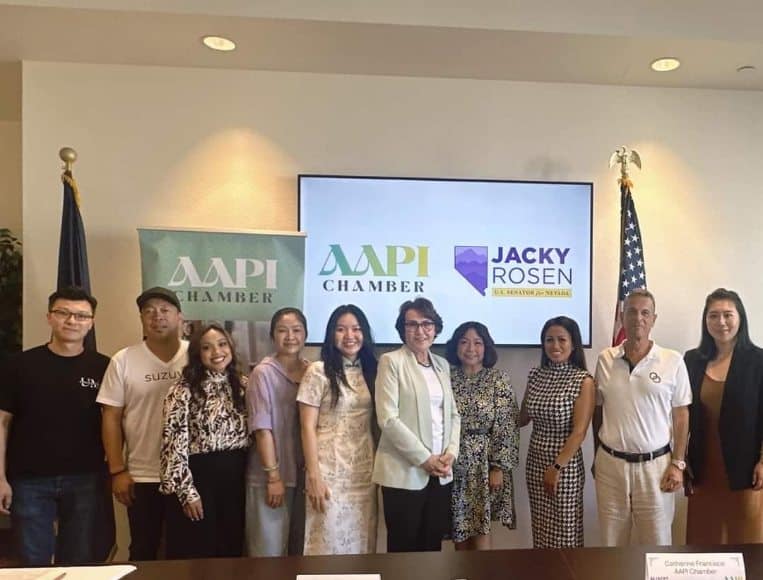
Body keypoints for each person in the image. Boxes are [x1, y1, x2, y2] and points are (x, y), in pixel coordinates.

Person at [0, 286, 110, 565]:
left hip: (86, 478)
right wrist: (0, 478)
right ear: (49, 317)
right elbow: (2, 423)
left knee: (79, 561)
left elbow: (114, 422)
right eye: (63, 313)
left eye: (81, 316)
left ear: (92, 322)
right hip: (28, 480)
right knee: (31, 563)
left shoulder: (105, 367)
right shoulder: (19, 365)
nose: (72, 321)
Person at [593, 288, 691, 546]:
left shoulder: (672, 361)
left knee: (657, 544)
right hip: (610, 466)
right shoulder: (605, 359)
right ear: (622, 317)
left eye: (645, 313)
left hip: (656, 468)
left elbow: (681, 415)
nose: (639, 318)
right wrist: (595, 453)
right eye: (632, 312)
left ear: (654, 319)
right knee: (611, 544)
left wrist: (678, 464)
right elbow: (597, 410)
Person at [97, 286, 189, 560]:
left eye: (164, 310)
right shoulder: (123, 360)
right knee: (142, 549)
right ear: (141, 319)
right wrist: (117, 470)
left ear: (179, 317)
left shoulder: (196, 355)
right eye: (148, 311)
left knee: (186, 550)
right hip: (142, 475)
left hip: (188, 474)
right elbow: (111, 418)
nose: (157, 316)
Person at [372, 297, 461, 553]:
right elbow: (388, 419)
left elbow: (454, 415)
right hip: (404, 473)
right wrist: (424, 459)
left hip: (441, 473)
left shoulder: (442, 365)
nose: (420, 331)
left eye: (426, 324)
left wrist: (450, 454)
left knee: (432, 547)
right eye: (412, 325)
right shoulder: (391, 362)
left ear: (435, 328)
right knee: (403, 550)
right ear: (402, 329)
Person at [159, 323, 248, 558]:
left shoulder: (242, 384)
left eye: (222, 344)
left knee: (231, 549)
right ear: (198, 354)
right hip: (200, 479)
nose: (217, 352)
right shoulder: (182, 389)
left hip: (236, 478)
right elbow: (173, 444)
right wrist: (187, 492)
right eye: (207, 347)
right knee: (199, 550)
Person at [684, 288, 763, 544]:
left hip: (745, 470)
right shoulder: (692, 360)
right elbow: (680, 413)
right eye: (713, 316)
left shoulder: (758, 361)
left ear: (740, 318)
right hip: (702, 471)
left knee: (746, 548)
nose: (721, 322)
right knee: (703, 546)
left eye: (728, 315)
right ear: (705, 321)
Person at [297, 305, 378, 555]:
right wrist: (314, 475)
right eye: (341, 329)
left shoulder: (372, 371)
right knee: (326, 542)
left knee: (362, 543)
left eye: (356, 329)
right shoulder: (318, 371)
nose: (349, 335)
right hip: (328, 472)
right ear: (332, 334)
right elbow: (306, 427)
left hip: (363, 471)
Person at [520, 316, 594, 548]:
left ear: (573, 344)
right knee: (541, 530)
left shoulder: (583, 380)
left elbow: (579, 432)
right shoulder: (535, 375)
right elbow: (522, 418)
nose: (555, 346)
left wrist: (556, 467)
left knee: (565, 532)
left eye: (562, 339)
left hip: (565, 466)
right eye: (549, 340)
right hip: (535, 462)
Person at [445, 321, 519, 550]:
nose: (470, 348)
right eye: (464, 342)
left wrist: (498, 468)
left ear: (486, 347)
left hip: (484, 465)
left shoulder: (498, 379)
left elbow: (507, 425)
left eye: (477, 343)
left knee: (481, 528)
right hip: (452, 463)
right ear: (456, 346)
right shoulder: (446, 377)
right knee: (459, 529)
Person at [246, 307, 309, 557]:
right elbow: (262, 430)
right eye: (282, 331)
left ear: (305, 334)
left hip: (302, 479)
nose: (290, 336)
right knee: (268, 555)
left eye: (296, 330)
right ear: (273, 336)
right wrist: (273, 477)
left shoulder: (312, 371)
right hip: (270, 479)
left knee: (298, 554)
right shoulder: (263, 373)